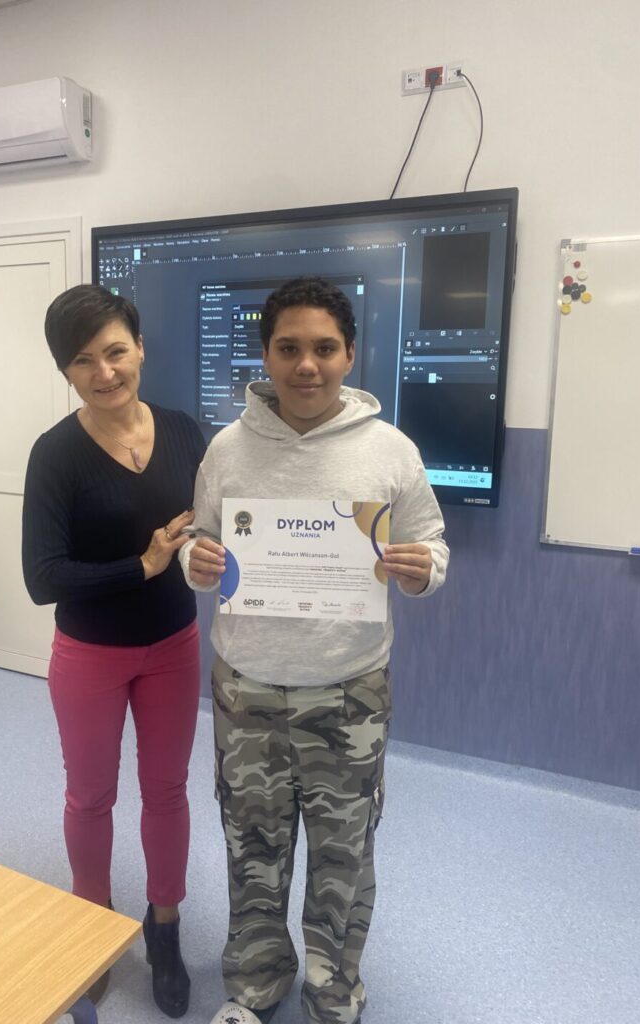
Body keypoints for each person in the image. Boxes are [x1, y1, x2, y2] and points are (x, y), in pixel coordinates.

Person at [180, 277, 449, 1024]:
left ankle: (333, 996)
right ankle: (256, 987)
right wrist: (195, 561)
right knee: (251, 849)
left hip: (349, 693)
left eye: (324, 348)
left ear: (349, 354)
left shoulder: (390, 451)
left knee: (343, 858)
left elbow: (431, 545)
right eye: (289, 348)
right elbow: (201, 539)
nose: (307, 365)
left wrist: (423, 569)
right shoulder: (227, 449)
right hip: (247, 690)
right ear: (265, 356)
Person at [22, 284, 206, 1019]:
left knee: (166, 792)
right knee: (91, 796)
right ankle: (89, 928)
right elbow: (43, 578)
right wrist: (141, 566)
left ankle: (165, 928)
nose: (104, 372)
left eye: (116, 351)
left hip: (173, 645)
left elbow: (218, 525)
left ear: (140, 349)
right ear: (65, 371)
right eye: (82, 361)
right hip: (90, 655)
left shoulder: (186, 432)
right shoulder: (55, 454)